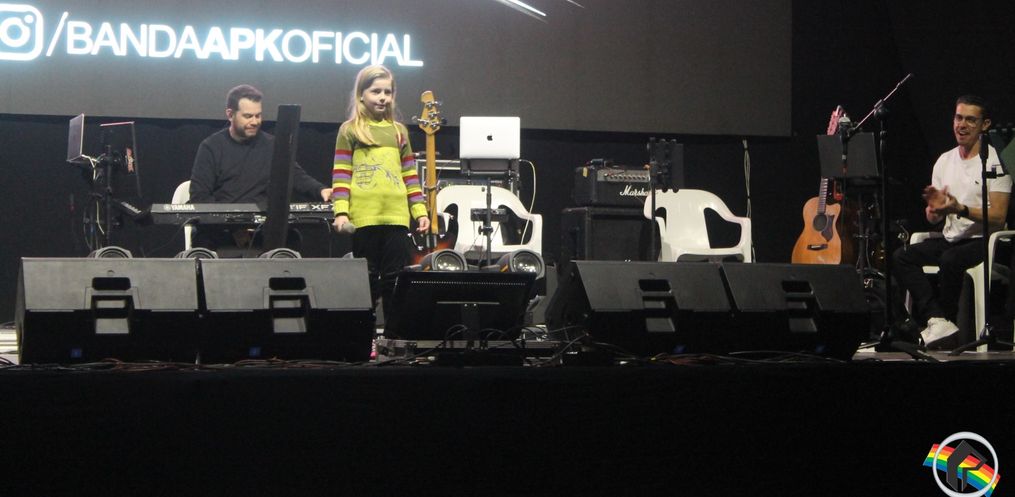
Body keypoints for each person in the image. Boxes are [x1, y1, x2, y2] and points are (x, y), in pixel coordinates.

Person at [893, 94, 1011, 348]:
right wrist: (935, 211)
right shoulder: (944, 161)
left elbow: (999, 217)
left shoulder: (995, 162)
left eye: (970, 120)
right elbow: (934, 217)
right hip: (951, 238)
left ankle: (947, 323)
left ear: (985, 125)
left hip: (983, 240)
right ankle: (937, 319)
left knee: (950, 259)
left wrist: (960, 208)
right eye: (958, 118)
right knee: (902, 256)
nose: (962, 125)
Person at [331, 65, 429, 327]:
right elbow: (341, 174)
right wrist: (341, 211)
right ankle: (365, 335)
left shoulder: (398, 131)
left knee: (394, 279)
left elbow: (410, 174)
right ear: (361, 95)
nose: (383, 97)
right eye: (376, 91)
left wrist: (419, 210)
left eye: (388, 92)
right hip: (365, 218)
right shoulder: (350, 130)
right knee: (368, 278)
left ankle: (394, 335)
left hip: (396, 217)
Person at [188, 84, 332, 253]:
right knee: (203, 239)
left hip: (263, 229)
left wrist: (321, 190)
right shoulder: (211, 147)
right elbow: (200, 196)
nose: (255, 122)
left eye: (258, 115)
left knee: (291, 238)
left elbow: (296, 176)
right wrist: (234, 228)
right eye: (248, 116)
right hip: (222, 230)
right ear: (230, 114)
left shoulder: (272, 145)